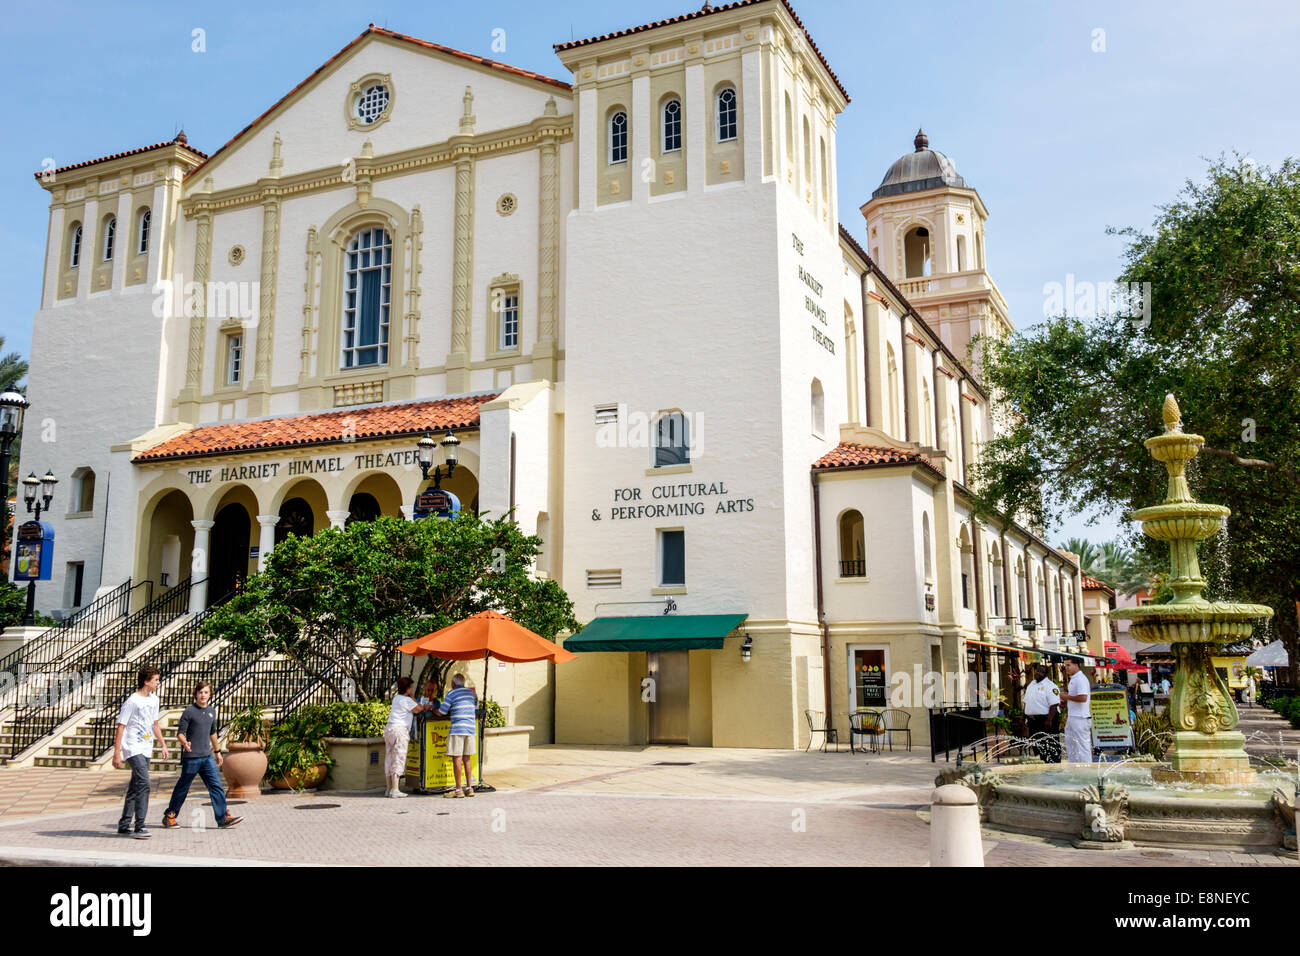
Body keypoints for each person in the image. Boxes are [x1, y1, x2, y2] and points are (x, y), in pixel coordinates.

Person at [162, 681, 243, 830]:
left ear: (210, 694)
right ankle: (170, 816)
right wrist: (185, 743)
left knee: (216, 787)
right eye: (200, 692)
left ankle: (223, 817)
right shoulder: (189, 712)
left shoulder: (212, 711)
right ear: (196, 695)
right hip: (192, 758)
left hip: (207, 757)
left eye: (205, 692)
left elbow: (213, 733)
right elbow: (180, 733)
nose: (203, 695)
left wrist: (218, 752)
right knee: (183, 788)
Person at [113, 667, 169, 838]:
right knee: (144, 783)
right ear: (146, 681)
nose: (158, 683)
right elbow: (121, 727)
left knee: (134, 786)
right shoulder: (132, 701)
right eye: (156, 680)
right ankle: (140, 826)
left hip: (146, 747)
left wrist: (163, 744)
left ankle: (124, 824)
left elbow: (155, 724)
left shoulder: (154, 700)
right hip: (132, 747)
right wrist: (117, 753)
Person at [384, 676, 432, 798]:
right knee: (398, 757)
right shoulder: (407, 700)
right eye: (411, 687)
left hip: (389, 728)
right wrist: (414, 698)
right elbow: (419, 709)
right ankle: (395, 789)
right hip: (400, 730)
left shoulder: (396, 698)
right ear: (408, 688)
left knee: (389, 757)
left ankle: (389, 788)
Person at [437, 673, 479, 798]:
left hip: (457, 729)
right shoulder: (471, 694)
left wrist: (434, 709)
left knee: (457, 758)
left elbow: (442, 712)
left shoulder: (451, 694)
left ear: (453, 684)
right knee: (467, 758)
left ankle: (458, 790)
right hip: (470, 729)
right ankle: (469, 788)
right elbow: (475, 708)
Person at [1022, 664, 1060, 763]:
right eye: (1037, 670)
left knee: (1051, 744)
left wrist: (1049, 720)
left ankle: (1055, 765)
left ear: (1045, 674)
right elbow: (1026, 702)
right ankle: (1041, 763)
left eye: (1041, 671)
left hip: (1047, 719)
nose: (1038, 673)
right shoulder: (1031, 684)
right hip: (1033, 721)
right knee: (1036, 744)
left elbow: (1054, 705)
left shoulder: (1050, 686)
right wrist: (1024, 717)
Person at [1059, 659, 1092, 763]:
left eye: (1068, 665)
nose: (1066, 668)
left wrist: (1066, 697)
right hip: (1073, 716)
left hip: (1080, 718)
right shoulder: (1074, 679)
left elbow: (1083, 698)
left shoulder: (1080, 679)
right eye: (1065, 665)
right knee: (1071, 746)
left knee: (1082, 747)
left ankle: (1086, 770)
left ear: (1076, 665)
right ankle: (1074, 769)